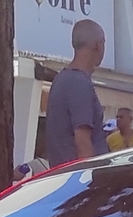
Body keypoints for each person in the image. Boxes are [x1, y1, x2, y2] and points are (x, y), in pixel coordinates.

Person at [43, 20, 106, 166]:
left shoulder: (61, 79)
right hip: (80, 179)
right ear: (98, 44)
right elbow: (82, 142)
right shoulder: (79, 83)